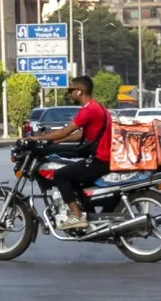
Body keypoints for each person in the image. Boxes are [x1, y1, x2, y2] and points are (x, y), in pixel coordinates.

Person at [38, 75, 112, 230]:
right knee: (73, 176)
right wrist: (59, 140)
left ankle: (77, 216)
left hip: (100, 160)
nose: (69, 93)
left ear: (80, 91)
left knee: (60, 175)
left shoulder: (89, 110)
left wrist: (36, 137)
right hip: (104, 158)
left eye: (71, 90)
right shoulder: (99, 107)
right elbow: (80, 134)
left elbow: (66, 130)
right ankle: (88, 215)